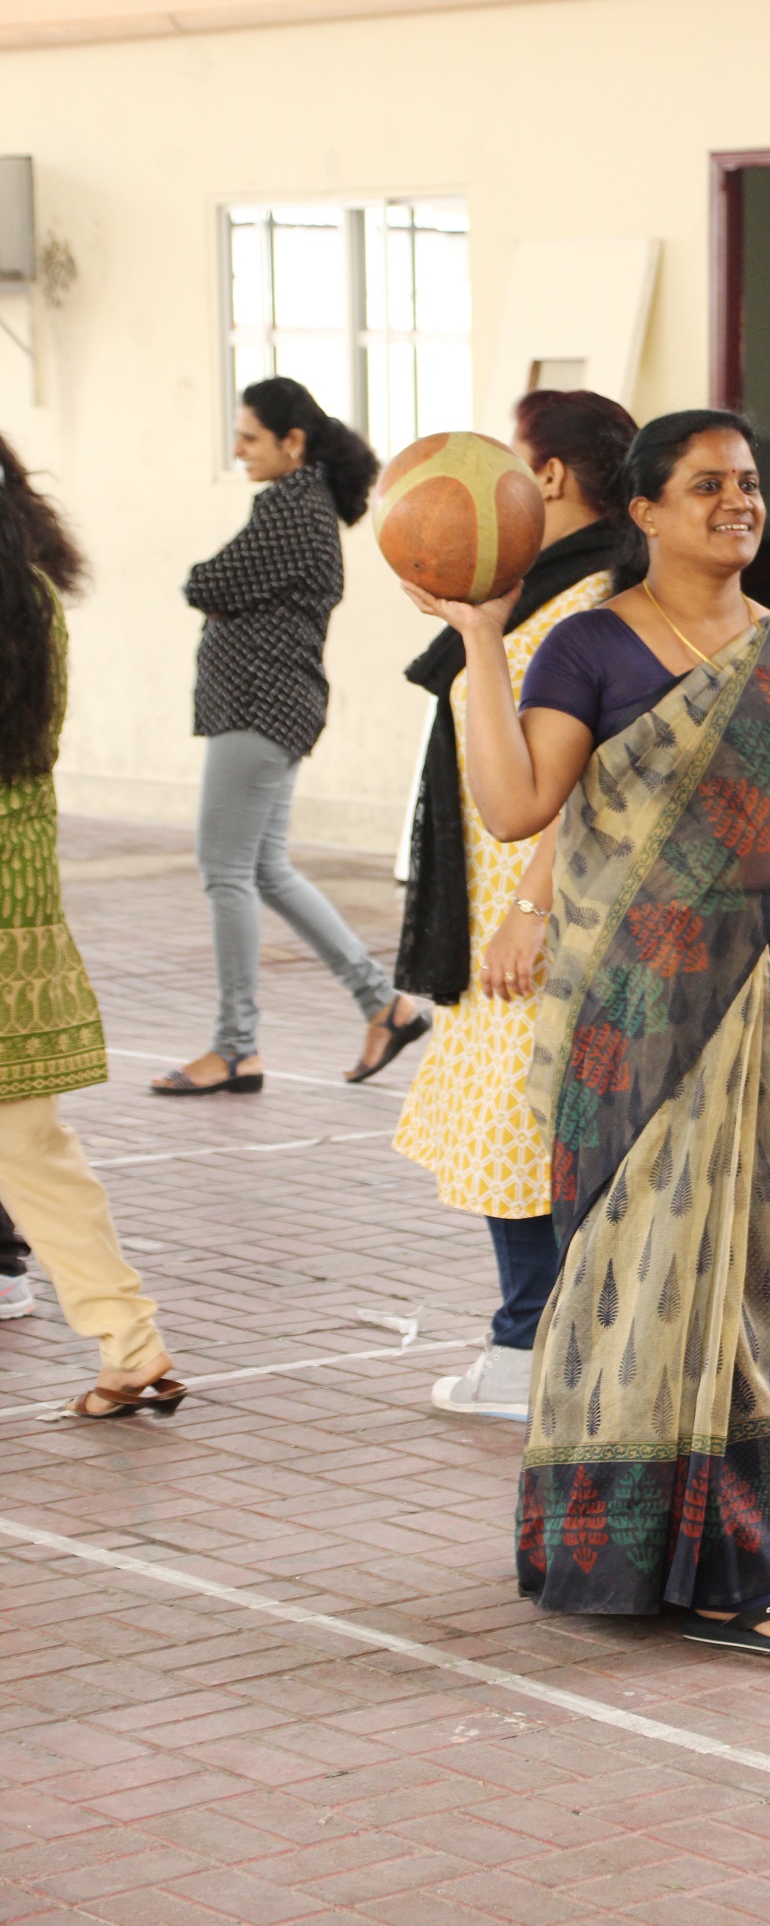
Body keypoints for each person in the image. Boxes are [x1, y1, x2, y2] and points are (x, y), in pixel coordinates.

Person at [403, 409, 770, 1657]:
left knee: (745, 1290)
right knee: (631, 1287)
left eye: (747, 482)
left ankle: (733, 1565)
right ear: (643, 511)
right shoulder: (587, 644)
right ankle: (628, 1550)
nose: (736, 501)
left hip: (765, 1014)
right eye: (706, 484)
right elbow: (514, 804)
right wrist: (480, 637)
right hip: (627, 1021)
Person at [395, 390, 637, 1419]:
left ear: (546, 476)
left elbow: (591, 775)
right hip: (506, 888)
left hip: (543, 896)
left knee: (518, 1124)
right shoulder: (542, 586)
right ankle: (545, 1342)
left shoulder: (596, 597)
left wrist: (528, 909)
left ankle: (525, 1348)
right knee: (517, 1121)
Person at [153, 377, 426, 1096]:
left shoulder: (292, 509)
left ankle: (235, 1048)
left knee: (225, 871)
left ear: (292, 442)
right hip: (271, 707)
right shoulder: (300, 506)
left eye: (250, 438)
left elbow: (206, 585)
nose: (239, 450)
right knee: (265, 870)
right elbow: (220, 589)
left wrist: (222, 604)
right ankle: (384, 1005)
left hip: (258, 707)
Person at [0, 434, 184, 1416]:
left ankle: (132, 1341)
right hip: (20, 902)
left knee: (29, 1152)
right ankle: (131, 1342)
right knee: (32, 1151)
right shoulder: (34, 602)